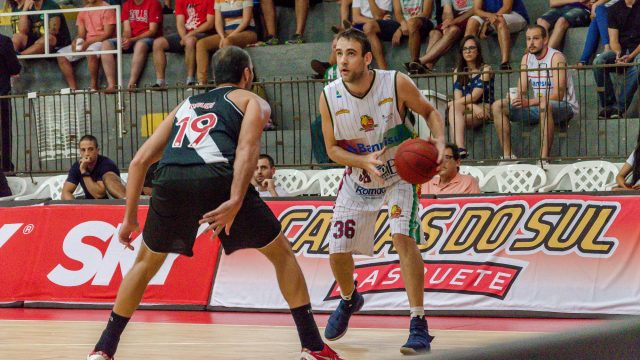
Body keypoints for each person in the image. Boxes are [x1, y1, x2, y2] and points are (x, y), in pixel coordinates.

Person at [86, 46, 342, 360]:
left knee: (144, 265)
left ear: (213, 76)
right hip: (218, 176)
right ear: (247, 75)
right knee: (282, 255)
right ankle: (313, 346)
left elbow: (139, 161)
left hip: (171, 179)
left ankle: (103, 349)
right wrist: (235, 199)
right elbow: (247, 150)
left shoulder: (186, 104)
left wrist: (129, 219)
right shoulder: (252, 100)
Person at [319, 28, 445, 354]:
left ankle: (419, 324)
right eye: (338, 52)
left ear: (366, 58)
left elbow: (430, 112)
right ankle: (349, 299)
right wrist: (360, 159)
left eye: (349, 53)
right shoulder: (329, 95)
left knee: (402, 237)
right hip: (359, 179)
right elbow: (332, 149)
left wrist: (439, 142)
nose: (342, 60)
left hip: (399, 176)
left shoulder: (395, 82)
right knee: (337, 253)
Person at [491, 25, 578, 165]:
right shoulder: (526, 59)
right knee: (498, 106)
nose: (531, 43)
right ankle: (508, 157)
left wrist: (529, 102)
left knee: (544, 104)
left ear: (545, 39)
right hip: (539, 106)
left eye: (535, 38)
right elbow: (522, 89)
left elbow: (559, 94)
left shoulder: (556, 58)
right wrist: (514, 97)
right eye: (528, 39)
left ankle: (544, 159)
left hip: (564, 107)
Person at [592, 0, 640, 119]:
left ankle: (619, 107)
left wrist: (631, 56)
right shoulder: (614, 9)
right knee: (598, 62)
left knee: (639, 63)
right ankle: (608, 106)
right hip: (622, 49)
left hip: (637, 50)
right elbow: (613, 39)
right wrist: (618, 55)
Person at [447, 35, 493, 158]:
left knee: (455, 118)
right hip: (468, 107)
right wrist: (473, 107)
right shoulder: (458, 70)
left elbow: (475, 96)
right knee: (454, 110)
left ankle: (454, 152)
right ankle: (460, 149)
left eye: (472, 48)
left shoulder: (486, 69)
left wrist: (474, 106)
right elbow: (458, 99)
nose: (468, 51)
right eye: (465, 49)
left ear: (478, 51)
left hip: (484, 106)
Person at [102, 0, 163, 91]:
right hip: (132, 39)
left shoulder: (153, 3)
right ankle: (111, 85)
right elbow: (127, 30)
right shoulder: (127, 4)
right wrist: (126, 39)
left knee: (140, 44)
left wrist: (132, 40)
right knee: (106, 44)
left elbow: (152, 31)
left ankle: (132, 84)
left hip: (150, 39)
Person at [152, 0, 215, 88]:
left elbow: (210, 24)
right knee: (158, 43)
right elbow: (180, 23)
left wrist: (189, 35)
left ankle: (190, 80)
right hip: (185, 35)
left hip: (204, 33)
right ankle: (160, 82)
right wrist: (184, 37)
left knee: (189, 41)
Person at [56, 0, 116, 91]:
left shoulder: (107, 8)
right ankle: (73, 88)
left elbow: (107, 34)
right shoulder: (83, 11)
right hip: (87, 41)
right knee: (61, 55)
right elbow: (81, 34)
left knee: (90, 52)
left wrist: (88, 43)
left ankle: (94, 85)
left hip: (102, 41)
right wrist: (76, 41)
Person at [195, 0, 257, 85]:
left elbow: (246, 21)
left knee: (227, 42)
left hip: (247, 32)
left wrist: (229, 37)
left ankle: (225, 80)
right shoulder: (218, 1)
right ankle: (202, 81)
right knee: (201, 44)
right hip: (226, 34)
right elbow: (218, 22)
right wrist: (222, 36)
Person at [363, 0, 433, 70]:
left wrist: (400, 29)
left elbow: (426, 13)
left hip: (422, 22)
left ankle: (415, 65)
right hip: (403, 23)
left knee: (412, 24)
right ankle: (383, 70)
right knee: (369, 27)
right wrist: (402, 24)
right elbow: (398, 14)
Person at [464, 0, 529, 70]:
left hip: (514, 14)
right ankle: (469, 63)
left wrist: (487, 23)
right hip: (490, 16)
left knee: (499, 19)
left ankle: (505, 63)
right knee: (472, 21)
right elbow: (476, 10)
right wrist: (489, 17)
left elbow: (507, 8)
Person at [413, 0, 474, 73]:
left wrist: (455, 21)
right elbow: (447, 11)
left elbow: (476, 9)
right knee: (434, 33)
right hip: (455, 18)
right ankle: (427, 67)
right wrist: (447, 24)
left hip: (471, 17)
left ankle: (421, 61)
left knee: (453, 30)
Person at [62, 135, 126, 200]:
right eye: (83, 150)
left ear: (97, 151)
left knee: (108, 176)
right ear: (80, 152)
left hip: (110, 203)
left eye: (90, 149)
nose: (87, 153)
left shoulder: (107, 164)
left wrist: (84, 171)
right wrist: (76, 208)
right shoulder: (77, 166)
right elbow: (65, 192)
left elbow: (99, 195)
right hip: (89, 204)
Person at [0, 33, 21, 173]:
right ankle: (5, 169)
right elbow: (14, 68)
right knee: (4, 135)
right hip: (1, 95)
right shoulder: (3, 41)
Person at [577, 0, 615, 66]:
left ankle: (607, 47)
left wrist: (596, 4)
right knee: (596, 17)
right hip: (605, 11)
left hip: (622, 8)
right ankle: (583, 60)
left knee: (599, 9)